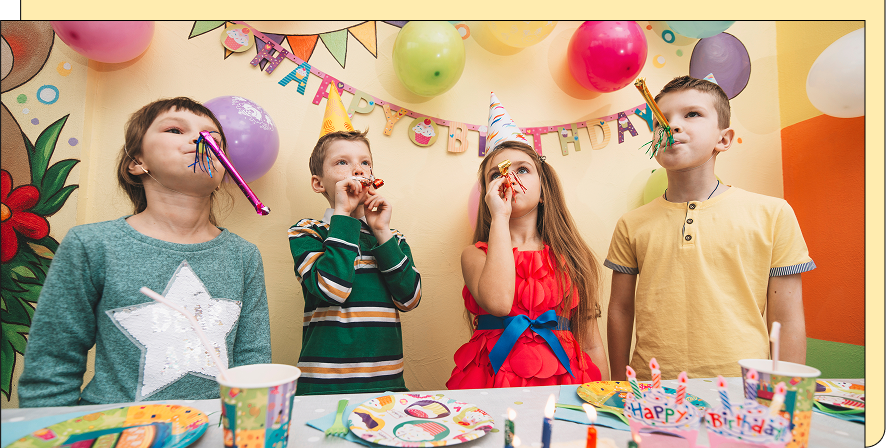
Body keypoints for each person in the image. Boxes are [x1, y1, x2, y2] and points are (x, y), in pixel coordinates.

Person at [17, 97, 272, 407]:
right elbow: (52, 363)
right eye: (176, 130)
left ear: (223, 171)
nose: (201, 139)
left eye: (214, 138)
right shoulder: (91, 245)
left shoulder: (244, 256)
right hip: (113, 438)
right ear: (136, 163)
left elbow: (253, 363)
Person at [606, 76, 815, 381]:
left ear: (724, 139)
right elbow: (620, 311)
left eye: (692, 114)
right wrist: (619, 383)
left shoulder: (773, 214)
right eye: (660, 120)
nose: (672, 126)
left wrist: (787, 394)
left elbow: (786, 318)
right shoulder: (631, 224)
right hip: (651, 388)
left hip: (745, 387)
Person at [447, 93, 607, 389]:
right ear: (487, 193)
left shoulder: (573, 257)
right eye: (497, 173)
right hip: (495, 379)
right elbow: (498, 302)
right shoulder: (474, 256)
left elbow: (592, 342)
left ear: (544, 189)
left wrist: (604, 398)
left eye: (522, 169)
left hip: (563, 379)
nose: (510, 178)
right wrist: (499, 218)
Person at [288, 87, 421, 395]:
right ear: (318, 183)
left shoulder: (391, 237)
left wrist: (382, 232)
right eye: (342, 163)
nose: (357, 169)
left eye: (365, 163)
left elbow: (410, 299)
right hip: (323, 387)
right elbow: (332, 290)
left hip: (386, 387)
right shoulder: (308, 232)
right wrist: (345, 217)